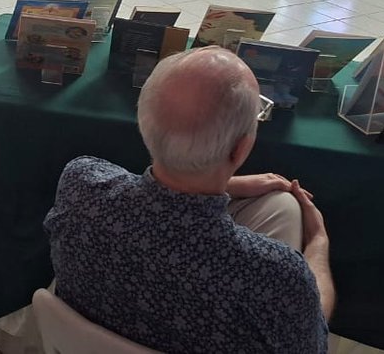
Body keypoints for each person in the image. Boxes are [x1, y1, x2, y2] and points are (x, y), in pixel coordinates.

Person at [45, 46, 332, 354]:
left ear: (144, 123)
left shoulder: (81, 182)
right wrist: (317, 244)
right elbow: (311, 338)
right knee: (284, 209)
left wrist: (229, 185)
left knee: (279, 205)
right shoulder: (275, 274)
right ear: (241, 148)